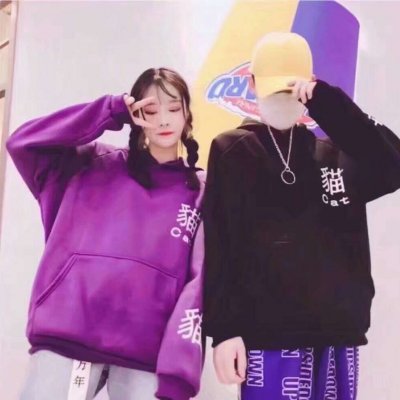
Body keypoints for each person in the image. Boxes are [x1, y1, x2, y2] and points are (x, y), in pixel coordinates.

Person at [203, 32, 400, 400]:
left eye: (291, 88)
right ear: (251, 84)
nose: (283, 98)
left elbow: (392, 167)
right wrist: (224, 331)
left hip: (336, 333)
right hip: (269, 336)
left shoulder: (336, 154)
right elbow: (219, 244)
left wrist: (330, 105)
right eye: (274, 88)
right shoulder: (233, 150)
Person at [6, 67, 206, 400]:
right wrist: (110, 111)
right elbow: (23, 143)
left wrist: (181, 365)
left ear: (187, 115)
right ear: (136, 114)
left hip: (148, 352)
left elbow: (200, 281)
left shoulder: (199, 189)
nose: (164, 120)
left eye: (174, 109)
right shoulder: (92, 163)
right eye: (151, 110)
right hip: (74, 338)